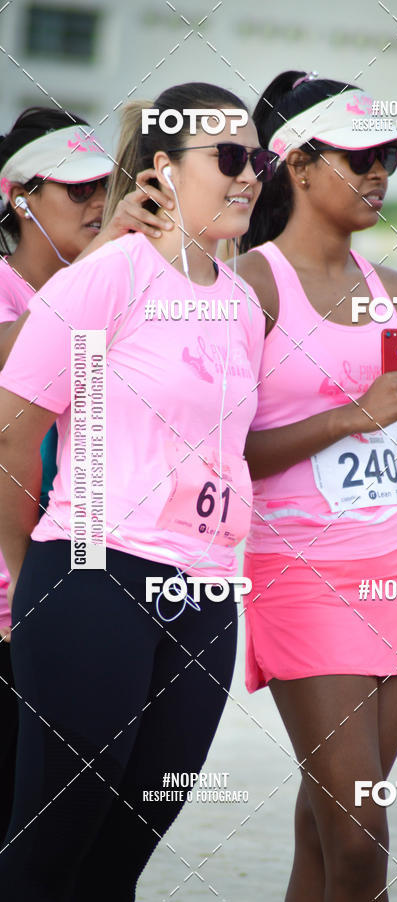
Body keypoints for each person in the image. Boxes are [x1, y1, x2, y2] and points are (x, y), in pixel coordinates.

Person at [0, 81, 274, 900]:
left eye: (256, 158)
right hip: (96, 576)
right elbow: (14, 430)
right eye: (228, 157)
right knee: (53, 846)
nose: (249, 175)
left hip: (208, 596)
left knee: (127, 847)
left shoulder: (242, 306)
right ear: (164, 166)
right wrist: (36, 565)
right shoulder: (109, 277)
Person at [235, 70, 397, 901]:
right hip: (301, 573)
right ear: (297, 164)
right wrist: (347, 416)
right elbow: (226, 454)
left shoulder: (392, 293)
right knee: (364, 836)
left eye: (389, 163)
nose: (378, 176)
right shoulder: (252, 286)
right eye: (360, 158)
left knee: (327, 830)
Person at [0, 104, 174, 841]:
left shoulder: (111, 286)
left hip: (75, 587)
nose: (98, 202)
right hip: (16, 586)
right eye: (76, 189)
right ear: (18, 198)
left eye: (107, 183)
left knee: (66, 822)